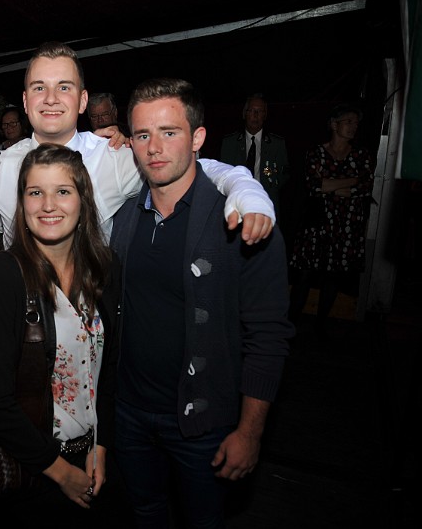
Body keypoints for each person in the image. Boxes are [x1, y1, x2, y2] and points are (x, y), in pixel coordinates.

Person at [108, 77, 293, 529]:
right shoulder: (123, 217)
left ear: (198, 138)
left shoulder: (244, 221)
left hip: (203, 423)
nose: (154, 148)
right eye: (142, 135)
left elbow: (268, 337)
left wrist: (250, 432)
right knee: (144, 513)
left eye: (169, 132)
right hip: (129, 413)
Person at [0, 41, 277, 250]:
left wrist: (243, 186)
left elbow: (185, 169)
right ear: (26, 101)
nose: (51, 98)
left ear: (82, 100)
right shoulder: (2, 163)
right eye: (39, 88)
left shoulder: (110, 154)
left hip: (92, 317)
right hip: (22, 317)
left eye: (64, 87)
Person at [0, 143, 130, 525]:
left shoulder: (105, 269)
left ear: (83, 201)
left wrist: (101, 447)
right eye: (35, 192)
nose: (48, 205)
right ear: (22, 203)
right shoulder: (0, 276)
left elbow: (107, 374)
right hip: (30, 472)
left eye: (63, 191)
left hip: (94, 462)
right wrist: (59, 472)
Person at [288, 103, 375, 338]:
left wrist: (332, 185)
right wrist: (351, 181)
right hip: (317, 222)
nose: (354, 127)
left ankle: (320, 326)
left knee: (333, 276)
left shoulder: (361, 155)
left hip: (346, 225)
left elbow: (366, 187)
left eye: (356, 123)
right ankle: (289, 324)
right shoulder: (316, 153)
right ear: (334, 125)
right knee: (304, 275)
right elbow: (314, 185)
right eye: (349, 122)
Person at [219, 92, 290, 223]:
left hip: (266, 206)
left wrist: (268, 178)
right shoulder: (230, 143)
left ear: (265, 115)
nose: (255, 115)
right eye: (252, 110)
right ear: (244, 114)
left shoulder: (276, 144)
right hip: (237, 206)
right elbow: (223, 175)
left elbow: (283, 174)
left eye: (260, 111)